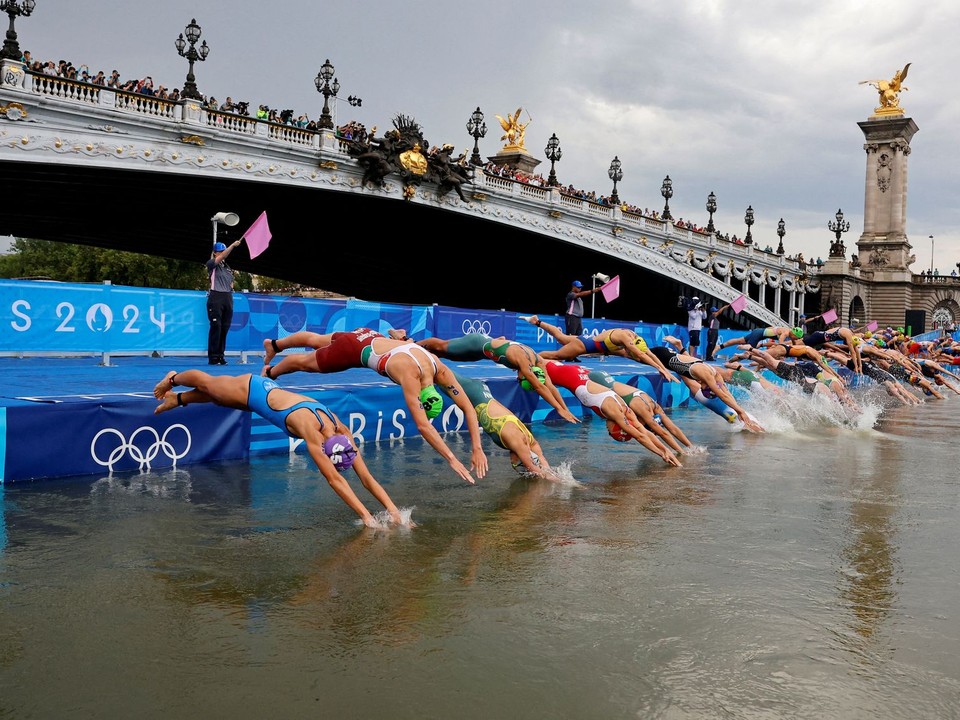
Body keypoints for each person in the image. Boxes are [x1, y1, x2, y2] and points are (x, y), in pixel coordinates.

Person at [152, 370, 411, 529]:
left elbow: (366, 478)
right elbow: (334, 480)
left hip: (265, 397)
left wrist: (394, 511)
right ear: (325, 447)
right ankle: (174, 378)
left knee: (220, 398)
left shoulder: (343, 431)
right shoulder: (311, 431)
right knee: (209, 385)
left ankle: (179, 399)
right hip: (253, 388)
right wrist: (367, 517)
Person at [260, 328, 489, 483]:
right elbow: (423, 427)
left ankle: (274, 344)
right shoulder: (410, 377)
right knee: (305, 363)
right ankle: (271, 372)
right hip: (354, 350)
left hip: (369, 335)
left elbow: (468, 408)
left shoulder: (438, 367)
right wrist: (451, 458)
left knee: (316, 339)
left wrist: (477, 448)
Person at [389, 329, 581, 424]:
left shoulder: (538, 361)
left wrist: (564, 409)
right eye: (522, 379)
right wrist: (558, 408)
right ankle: (404, 341)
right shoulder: (522, 360)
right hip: (476, 344)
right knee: (439, 347)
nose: (517, 378)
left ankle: (406, 344)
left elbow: (550, 387)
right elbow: (540, 387)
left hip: (482, 352)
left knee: (438, 355)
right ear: (527, 374)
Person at [541, 360, 682, 467]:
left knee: (542, 359)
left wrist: (665, 450)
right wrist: (661, 453)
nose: (607, 431)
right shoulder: (615, 413)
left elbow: (644, 432)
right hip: (568, 375)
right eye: (610, 432)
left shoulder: (627, 411)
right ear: (617, 428)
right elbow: (639, 436)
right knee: (536, 366)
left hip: (580, 373)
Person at [451, 371, 562, 481]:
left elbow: (547, 470)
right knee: (438, 369)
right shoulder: (517, 442)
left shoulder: (532, 443)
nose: (512, 463)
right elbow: (536, 471)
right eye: (515, 465)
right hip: (473, 392)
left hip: (479, 390)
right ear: (520, 459)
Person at [522, 315, 678, 385]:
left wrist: (663, 369)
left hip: (587, 342)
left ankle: (537, 321)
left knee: (562, 337)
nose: (631, 355)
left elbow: (647, 354)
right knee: (555, 356)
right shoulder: (624, 338)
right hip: (583, 346)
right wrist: (659, 368)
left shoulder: (635, 341)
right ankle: (529, 359)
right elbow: (639, 354)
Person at [649, 344, 765, 433]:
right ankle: (680, 346)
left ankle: (680, 346)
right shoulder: (711, 377)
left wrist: (740, 411)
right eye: (703, 386)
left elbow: (726, 394)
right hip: (662, 355)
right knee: (688, 378)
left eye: (702, 386)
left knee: (687, 374)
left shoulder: (714, 376)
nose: (700, 384)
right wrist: (741, 411)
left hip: (676, 359)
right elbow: (723, 395)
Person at [588, 369, 694, 455]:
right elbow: (663, 433)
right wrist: (681, 452)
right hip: (597, 378)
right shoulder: (643, 411)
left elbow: (673, 428)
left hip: (604, 378)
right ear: (647, 423)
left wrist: (691, 448)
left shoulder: (655, 408)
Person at [206, 238, 242, 365]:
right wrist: (232, 245)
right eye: (219, 251)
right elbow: (223, 257)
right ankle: (213, 356)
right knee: (216, 326)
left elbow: (230, 282)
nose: (222, 253)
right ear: (215, 253)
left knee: (225, 328)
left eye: (223, 251)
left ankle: (221, 355)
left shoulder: (227, 268)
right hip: (216, 297)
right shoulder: (212, 264)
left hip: (227, 297)